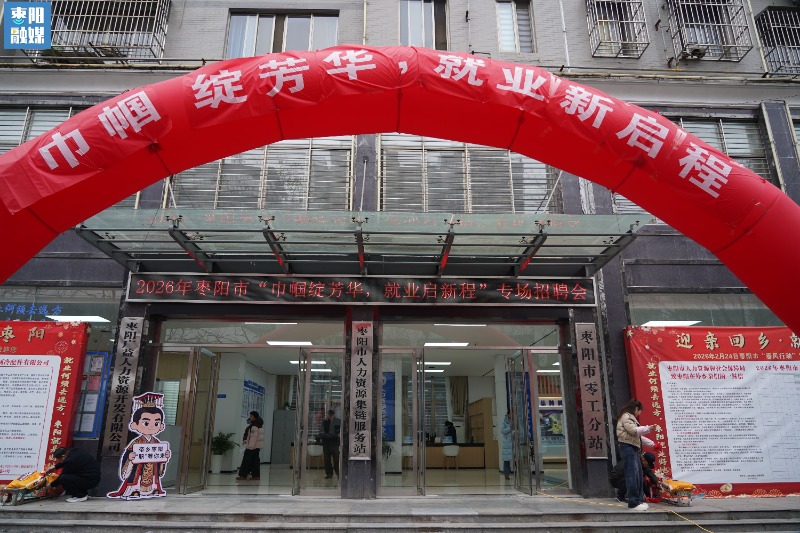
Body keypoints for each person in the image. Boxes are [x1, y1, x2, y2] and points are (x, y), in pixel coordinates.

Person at [615, 398, 654, 511]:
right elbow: (634, 431)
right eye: (640, 411)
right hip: (628, 447)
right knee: (632, 475)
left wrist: (652, 444)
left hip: (633, 448)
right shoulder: (626, 416)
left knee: (638, 476)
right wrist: (648, 428)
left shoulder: (629, 417)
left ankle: (638, 501)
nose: (639, 413)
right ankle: (633, 503)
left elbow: (638, 436)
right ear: (636, 409)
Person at [236, 411, 264, 481]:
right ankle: (256, 476)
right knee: (255, 462)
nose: (250, 417)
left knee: (246, 460)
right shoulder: (259, 425)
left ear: (255, 417)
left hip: (252, 447)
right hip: (257, 447)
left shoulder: (254, 427)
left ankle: (242, 475)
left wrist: (249, 447)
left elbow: (253, 438)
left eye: (251, 416)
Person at [319, 410, 341, 479]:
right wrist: (331, 435)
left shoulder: (338, 421)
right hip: (326, 444)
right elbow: (321, 433)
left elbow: (338, 434)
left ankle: (338, 473)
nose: (328, 416)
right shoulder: (324, 422)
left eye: (329, 414)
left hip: (335, 444)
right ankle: (329, 474)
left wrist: (328, 435)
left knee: (336, 459)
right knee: (327, 460)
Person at [501, 410, 513, 481]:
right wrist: (510, 428)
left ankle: (518, 474)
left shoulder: (516, 421)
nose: (512, 415)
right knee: (506, 460)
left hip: (514, 443)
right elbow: (502, 431)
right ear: (508, 414)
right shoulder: (505, 422)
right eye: (511, 414)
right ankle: (506, 475)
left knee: (516, 459)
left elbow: (520, 429)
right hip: (507, 444)